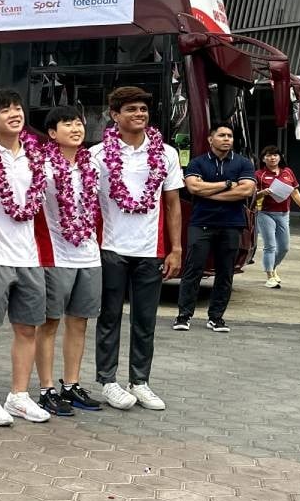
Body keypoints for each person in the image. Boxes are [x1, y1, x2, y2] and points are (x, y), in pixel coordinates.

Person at [91, 86, 182, 411]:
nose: (139, 114)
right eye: (131, 109)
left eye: (143, 108)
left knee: (145, 319)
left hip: (149, 250)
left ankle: (140, 381)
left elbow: (172, 204)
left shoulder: (166, 154)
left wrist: (176, 249)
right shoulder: (98, 155)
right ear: (115, 115)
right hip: (110, 248)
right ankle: (108, 381)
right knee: (109, 317)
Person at [0, 89, 53, 426]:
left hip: (30, 256)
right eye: (5, 110)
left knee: (28, 328)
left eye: (18, 108)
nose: (14, 114)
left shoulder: (38, 157)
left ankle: (19, 396)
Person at [34, 107, 104, 415]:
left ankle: (71, 384)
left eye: (79, 122)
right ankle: (46, 388)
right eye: (67, 123)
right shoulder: (42, 166)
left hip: (88, 255)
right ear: (52, 133)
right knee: (49, 323)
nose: (76, 128)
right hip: (56, 255)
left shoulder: (93, 165)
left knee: (79, 321)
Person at [173, 122, 255, 333]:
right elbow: (192, 187)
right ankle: (184, 316)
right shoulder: (198, 162)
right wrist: (227, 184)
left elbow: (245, 191)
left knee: (225, 273)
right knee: (193, 269)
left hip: (231, 225)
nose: (227, 139)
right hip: (201, 223)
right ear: (211, 139)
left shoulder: (243, 163)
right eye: (222, 135)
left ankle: (216, 317)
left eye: (229, 136)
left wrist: (208, 192)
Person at [255, 146, 300, 287]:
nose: (272, 158)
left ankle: (272, 268)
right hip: (265, 213)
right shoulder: (258, 174)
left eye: (275, 155)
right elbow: (252, 196)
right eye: (268, 155)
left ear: (280, 157)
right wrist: (263, 192)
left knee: (284, 247)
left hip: (283, 214)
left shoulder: (287, 172)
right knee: (270, 246)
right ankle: (269, 276)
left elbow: (295, 193)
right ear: (263, 159)